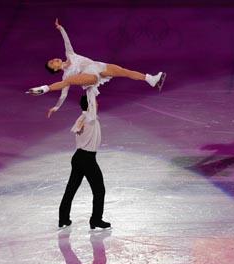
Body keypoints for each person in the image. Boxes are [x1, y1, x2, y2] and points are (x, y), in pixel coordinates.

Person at [26, 19, 166, 118]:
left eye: (52, 60)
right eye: (52, 64)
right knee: (68, 81)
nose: (53, 60)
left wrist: (60, 28)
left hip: (97, 66)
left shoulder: (69, 54)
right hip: (87, 76)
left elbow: (66, 41)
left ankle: (151, 79)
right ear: (55, 70)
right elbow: (64, 95)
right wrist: (56, 107)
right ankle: (44, 89)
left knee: (124, 71)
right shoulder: (66, 75)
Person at [59, 94, 110, 229]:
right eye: (95, 103)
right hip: (88, 159)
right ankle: (96, 220)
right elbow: (92, 103)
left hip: (78, 157)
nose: (98, 104)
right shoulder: (90, 118)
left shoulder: (82, 118)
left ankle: (63, 218)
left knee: (71, 188)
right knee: (99, 190)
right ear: (91, 105)